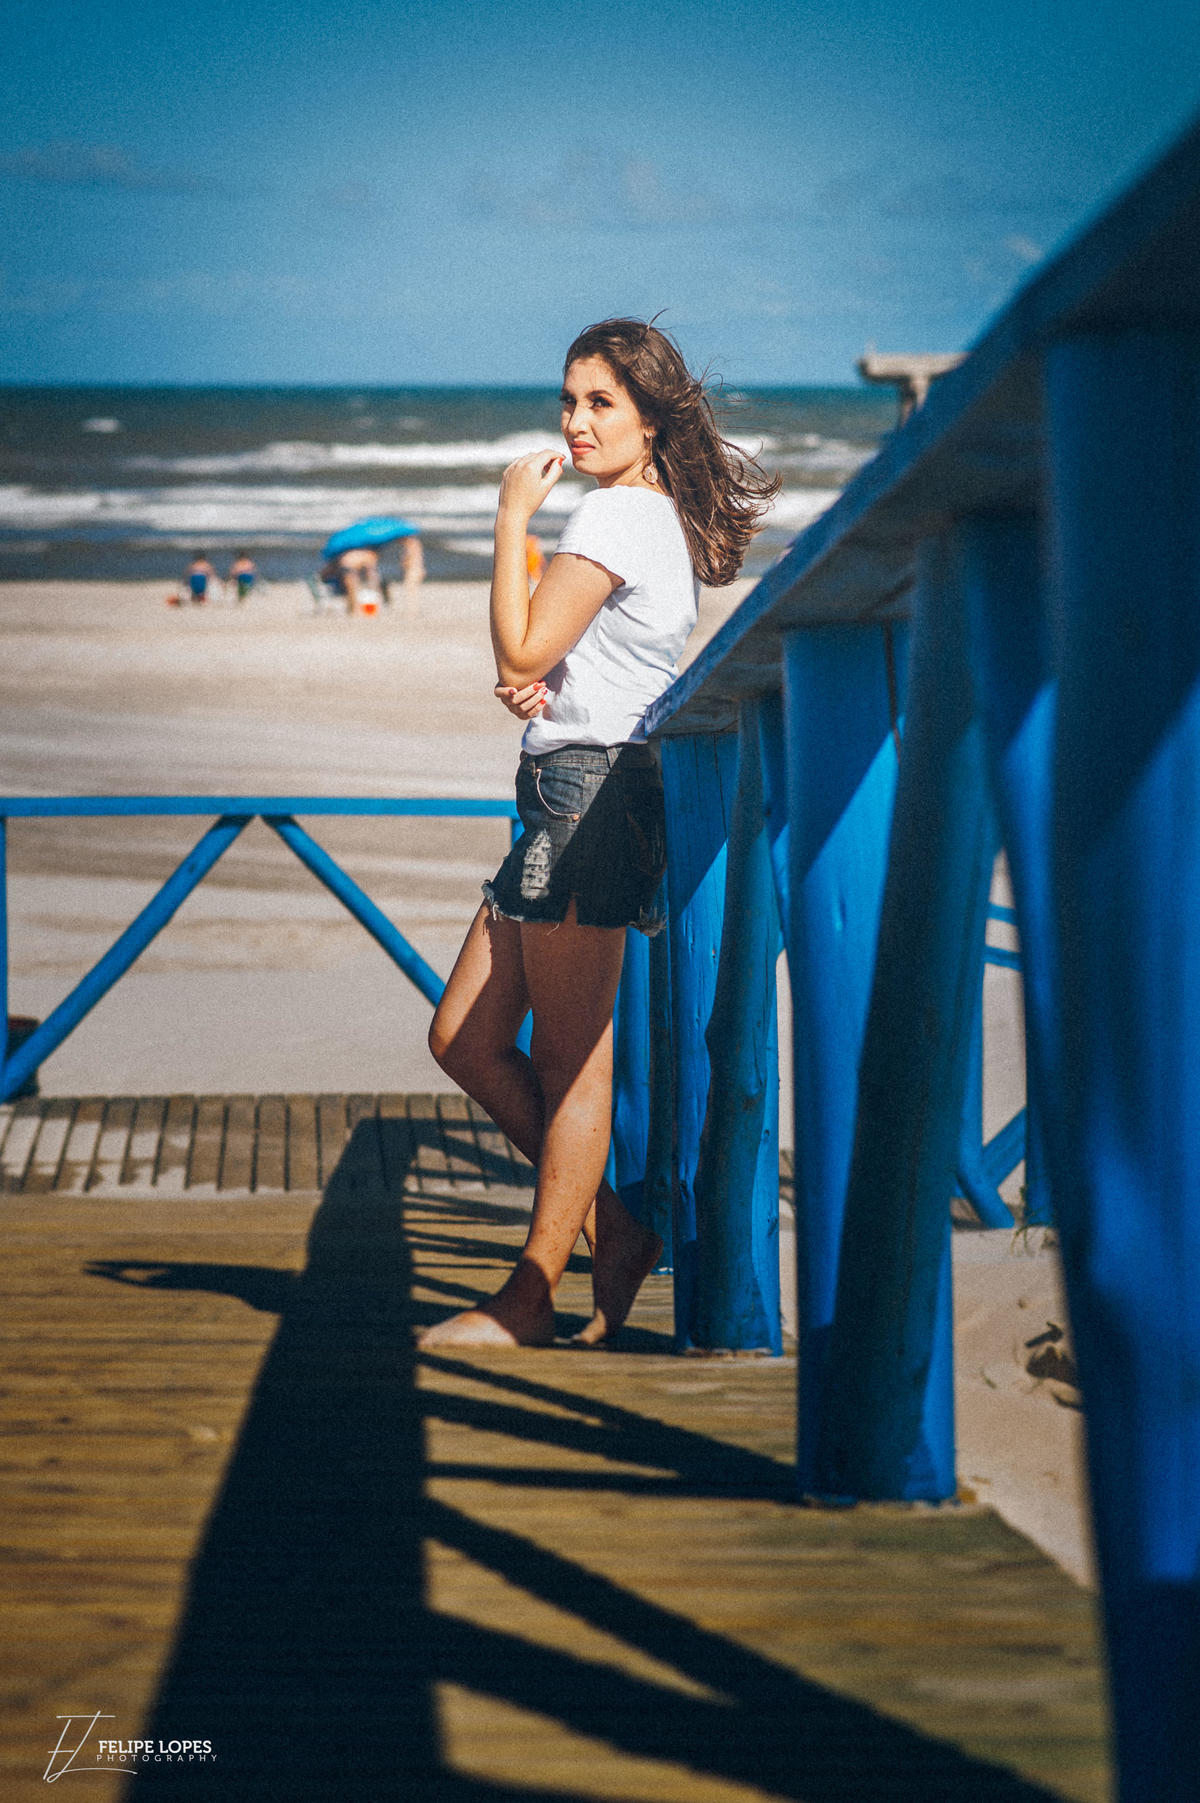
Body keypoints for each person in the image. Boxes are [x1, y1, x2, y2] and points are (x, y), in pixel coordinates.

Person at [421, 317, 778, 1350]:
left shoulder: (617, 519)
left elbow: (524, 634)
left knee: (572, 1058)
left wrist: (509, 518)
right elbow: (571, 660)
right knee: (465, 1039)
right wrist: (551, 685)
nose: (574, 422)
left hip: (593, 799)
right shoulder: (645, 517)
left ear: (650, 416)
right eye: (568, 400)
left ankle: (531, 1295)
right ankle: (615, 1229)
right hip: (567, 786)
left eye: (599, 403)